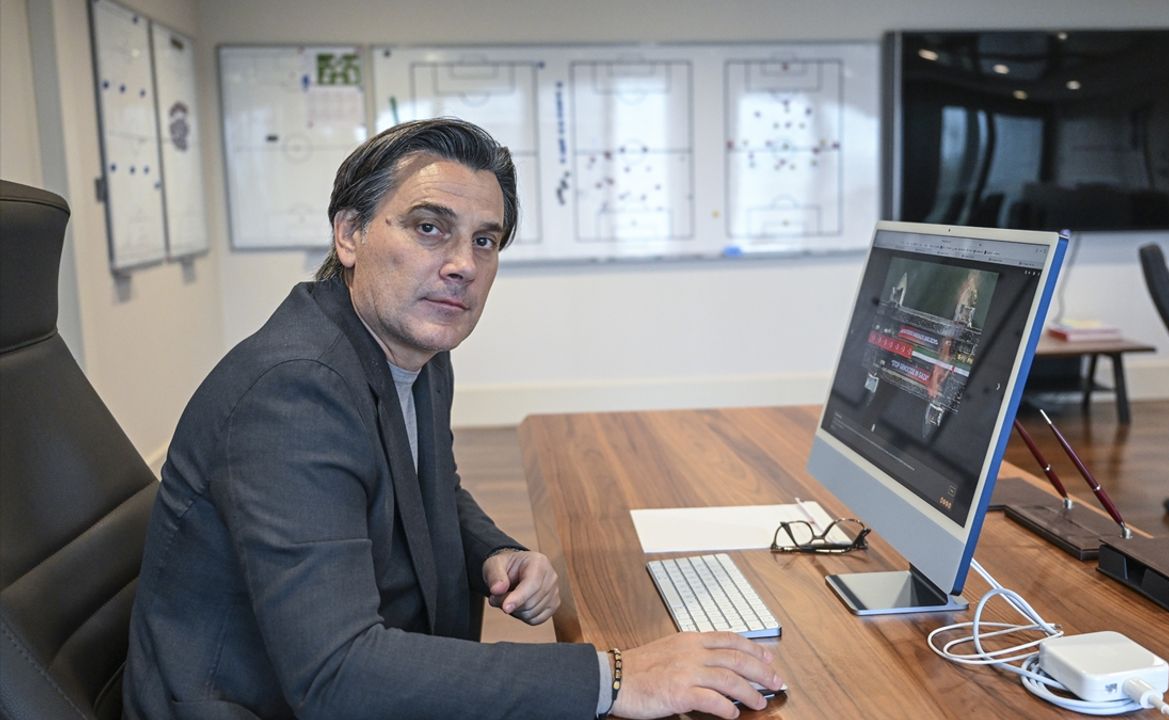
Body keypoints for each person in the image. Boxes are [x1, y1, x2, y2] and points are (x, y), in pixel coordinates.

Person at [124, 118, 783, 720]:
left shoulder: (415, 349)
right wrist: (613, 677)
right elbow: (337, 674)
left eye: (484, 240)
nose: (463, 264)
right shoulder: (294, 394)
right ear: (350, 234)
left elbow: (428, 483)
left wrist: (495, 550)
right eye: (428, 227)